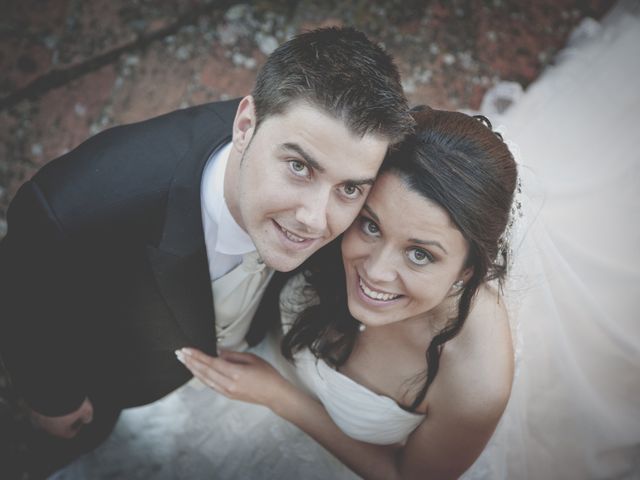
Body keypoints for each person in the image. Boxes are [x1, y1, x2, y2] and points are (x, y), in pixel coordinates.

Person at [0, 26, 413, 478]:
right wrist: (52, 397)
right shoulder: (73, 212)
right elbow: (22, 303)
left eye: (350, 188)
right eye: (299, 167)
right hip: (122, 381)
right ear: (244, 126)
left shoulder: (355, 183)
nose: (315, 220)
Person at [177, 106, 519, 479]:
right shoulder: (331, 212)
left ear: (467, 270)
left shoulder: (476, 376)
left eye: (420, 254)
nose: (374, 271)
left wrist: (277, 396)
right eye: (371, 226)